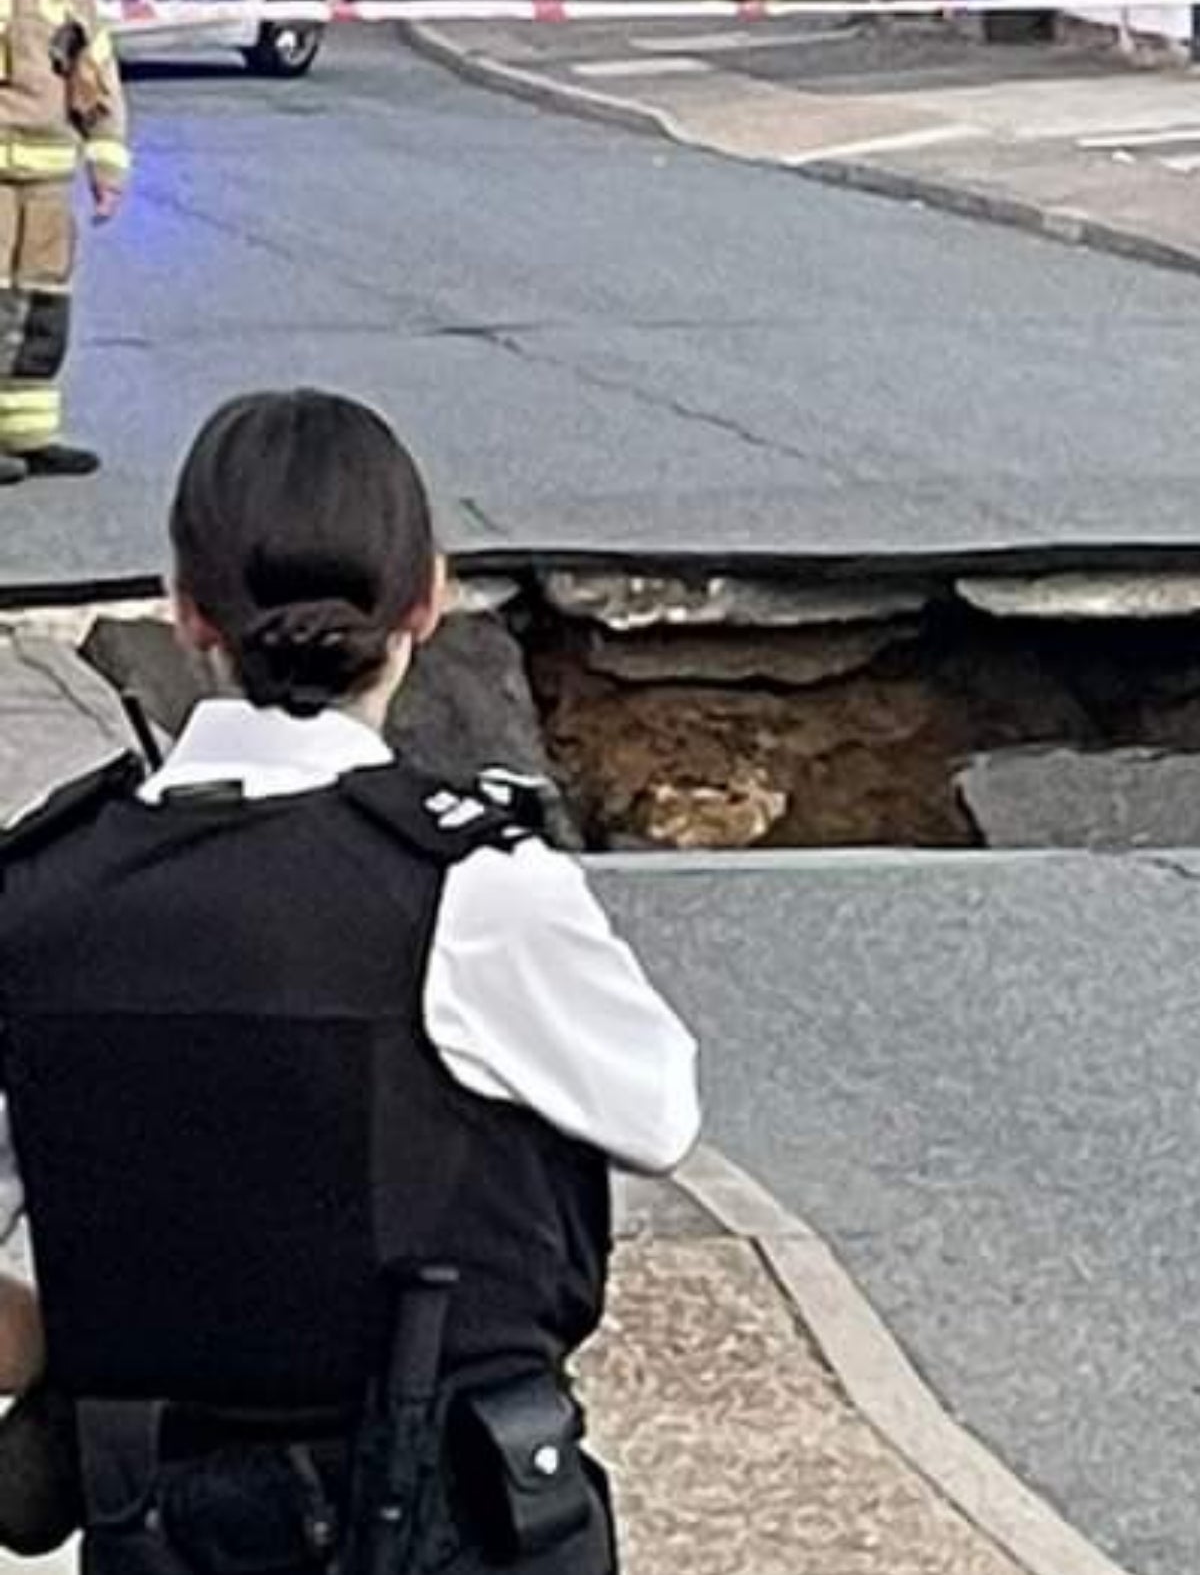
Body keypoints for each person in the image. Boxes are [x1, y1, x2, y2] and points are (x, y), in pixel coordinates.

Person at [0, 389, 703, 1573]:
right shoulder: (470, 888)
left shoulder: (38, 894)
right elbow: (659, 1113)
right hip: (451, 1517)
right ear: (425, 600)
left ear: (184, 611)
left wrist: (101, 1348)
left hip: (157, 1520)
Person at [0, 0, 128, 486]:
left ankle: (29, 435)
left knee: (43, 303)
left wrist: (107, 173)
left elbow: (95, 89)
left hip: (47, 184)